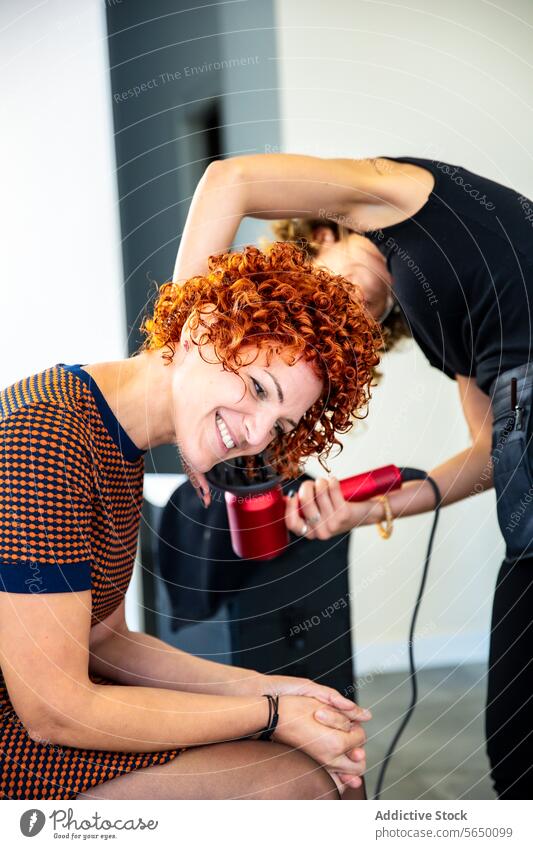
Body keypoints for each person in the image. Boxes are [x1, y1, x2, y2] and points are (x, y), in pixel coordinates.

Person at [173, 153, 533, 799]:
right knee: (516, 748)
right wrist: (360, 509)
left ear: (321, 235)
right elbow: (487, 456)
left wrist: (180, 353)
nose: (340, 317)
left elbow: (229, 179)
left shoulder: (391, 195)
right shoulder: (444, 336)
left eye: (323, 300)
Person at [0, 243, 380, 800]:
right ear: (204, 328)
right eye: (256, 390)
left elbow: (103, 640)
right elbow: (54, 710)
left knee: (313, 765)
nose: (254, 436)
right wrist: (269, 716)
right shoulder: (45, 440)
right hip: (25, 728)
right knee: (299, 784)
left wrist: (273, 691)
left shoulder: (115, 436)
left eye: (278, 427)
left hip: (41, 714)